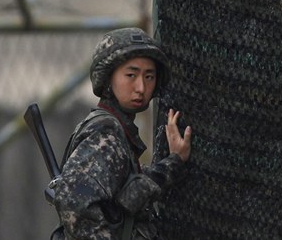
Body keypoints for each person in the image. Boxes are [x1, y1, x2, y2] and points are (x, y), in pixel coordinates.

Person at [51, 27, 192, 240]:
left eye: (149, 76)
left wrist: (174, 161)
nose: (141, 87)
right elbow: (74, 203)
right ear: (108, 78)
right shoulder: (105, 134)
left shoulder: (116, 130)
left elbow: (128, 195)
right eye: (131, 75)